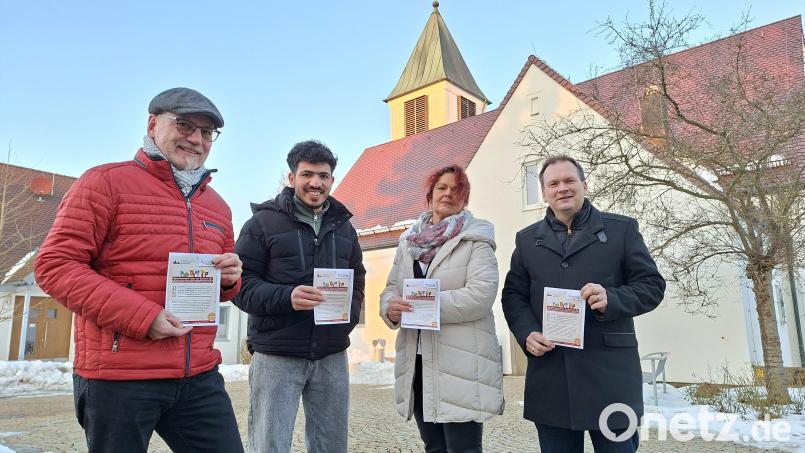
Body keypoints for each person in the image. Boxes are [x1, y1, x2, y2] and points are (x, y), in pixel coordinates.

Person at [34, 87, 244, 452]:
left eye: (207, 132)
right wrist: (143, 318)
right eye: (184, 125)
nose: (196, 139)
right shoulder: (104, 182)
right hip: (120, 377)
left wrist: (229, 279)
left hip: (197, 374)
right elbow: (55, 266)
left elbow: (224, 286)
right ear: (152, 124)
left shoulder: (218, 207)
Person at [501, 155, 665, 453]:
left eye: (569, 180)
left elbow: (652, 286)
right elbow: (513, 296)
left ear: (584, 185)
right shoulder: (526, 241)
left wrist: (612, 298)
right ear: (544, 193)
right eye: (553, 183)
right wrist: (526, 333)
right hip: (552, 378)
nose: (562, 188)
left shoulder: (621, 230)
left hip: (611, 377)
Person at [233, 140, 366, 453]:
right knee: (270, 444)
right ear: (292, 178)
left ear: (331, 180)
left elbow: (357, 280)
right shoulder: (262, 224)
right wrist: (287, 297)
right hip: (277, 353)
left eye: (323, 176)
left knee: (331, 445)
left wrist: (346, 322)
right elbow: (240, 286)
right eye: (307, 174)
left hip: (331, 353)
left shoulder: (344, 227)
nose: (316, 183)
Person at [380, 165, 504, 453]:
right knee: (434, 448)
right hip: (418, 362)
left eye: (456, 189)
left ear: (465, 198)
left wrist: (421, 306)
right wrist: (390, 308)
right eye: (442, 187)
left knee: (463, 448)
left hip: (462, 364)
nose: (448, 193)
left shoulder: (476, 240)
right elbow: (391, 289)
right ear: (430, 194)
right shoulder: (408, 242)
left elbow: (480, 296)